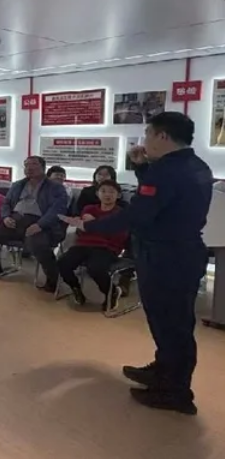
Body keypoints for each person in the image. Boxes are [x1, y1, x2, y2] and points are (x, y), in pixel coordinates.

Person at [59, 112, 213, 415]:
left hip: (164, 256)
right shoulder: (196, 166)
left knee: (171, 325)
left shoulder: (165, 171)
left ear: (162, 136)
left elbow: (138, 215)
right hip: (183, 253)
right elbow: (161, 201)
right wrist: (143, 167)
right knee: (173, 322)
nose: (145, 141)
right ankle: (163, 370)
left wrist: (89, 225)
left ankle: (176, 391)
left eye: (148, 134)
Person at [0, 156, 69, 284]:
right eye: (26, 165)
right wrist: (6, 217)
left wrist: (40, 225)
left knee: (38, 244)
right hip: (15, 222)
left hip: (40, 224)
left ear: (43, 168)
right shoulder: (18, 185)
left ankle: (53, 279)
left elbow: (57, 210)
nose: (29, 168)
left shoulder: (55, 188)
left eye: (33, 164)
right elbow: (6, 204)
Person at [57, 180, 129, 309]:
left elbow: (120, 236)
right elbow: (82, 231)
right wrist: (79, 224)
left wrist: (95, 224)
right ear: (97, 194)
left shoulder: (121, 214)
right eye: (103, 191)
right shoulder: (89, 209)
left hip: (107, 247)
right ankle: (75, 288)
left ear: (118, 195)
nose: (107, 194)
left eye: (111, 192)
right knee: (63, 263)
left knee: (95, 268)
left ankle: (111, 292)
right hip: (84, 244)